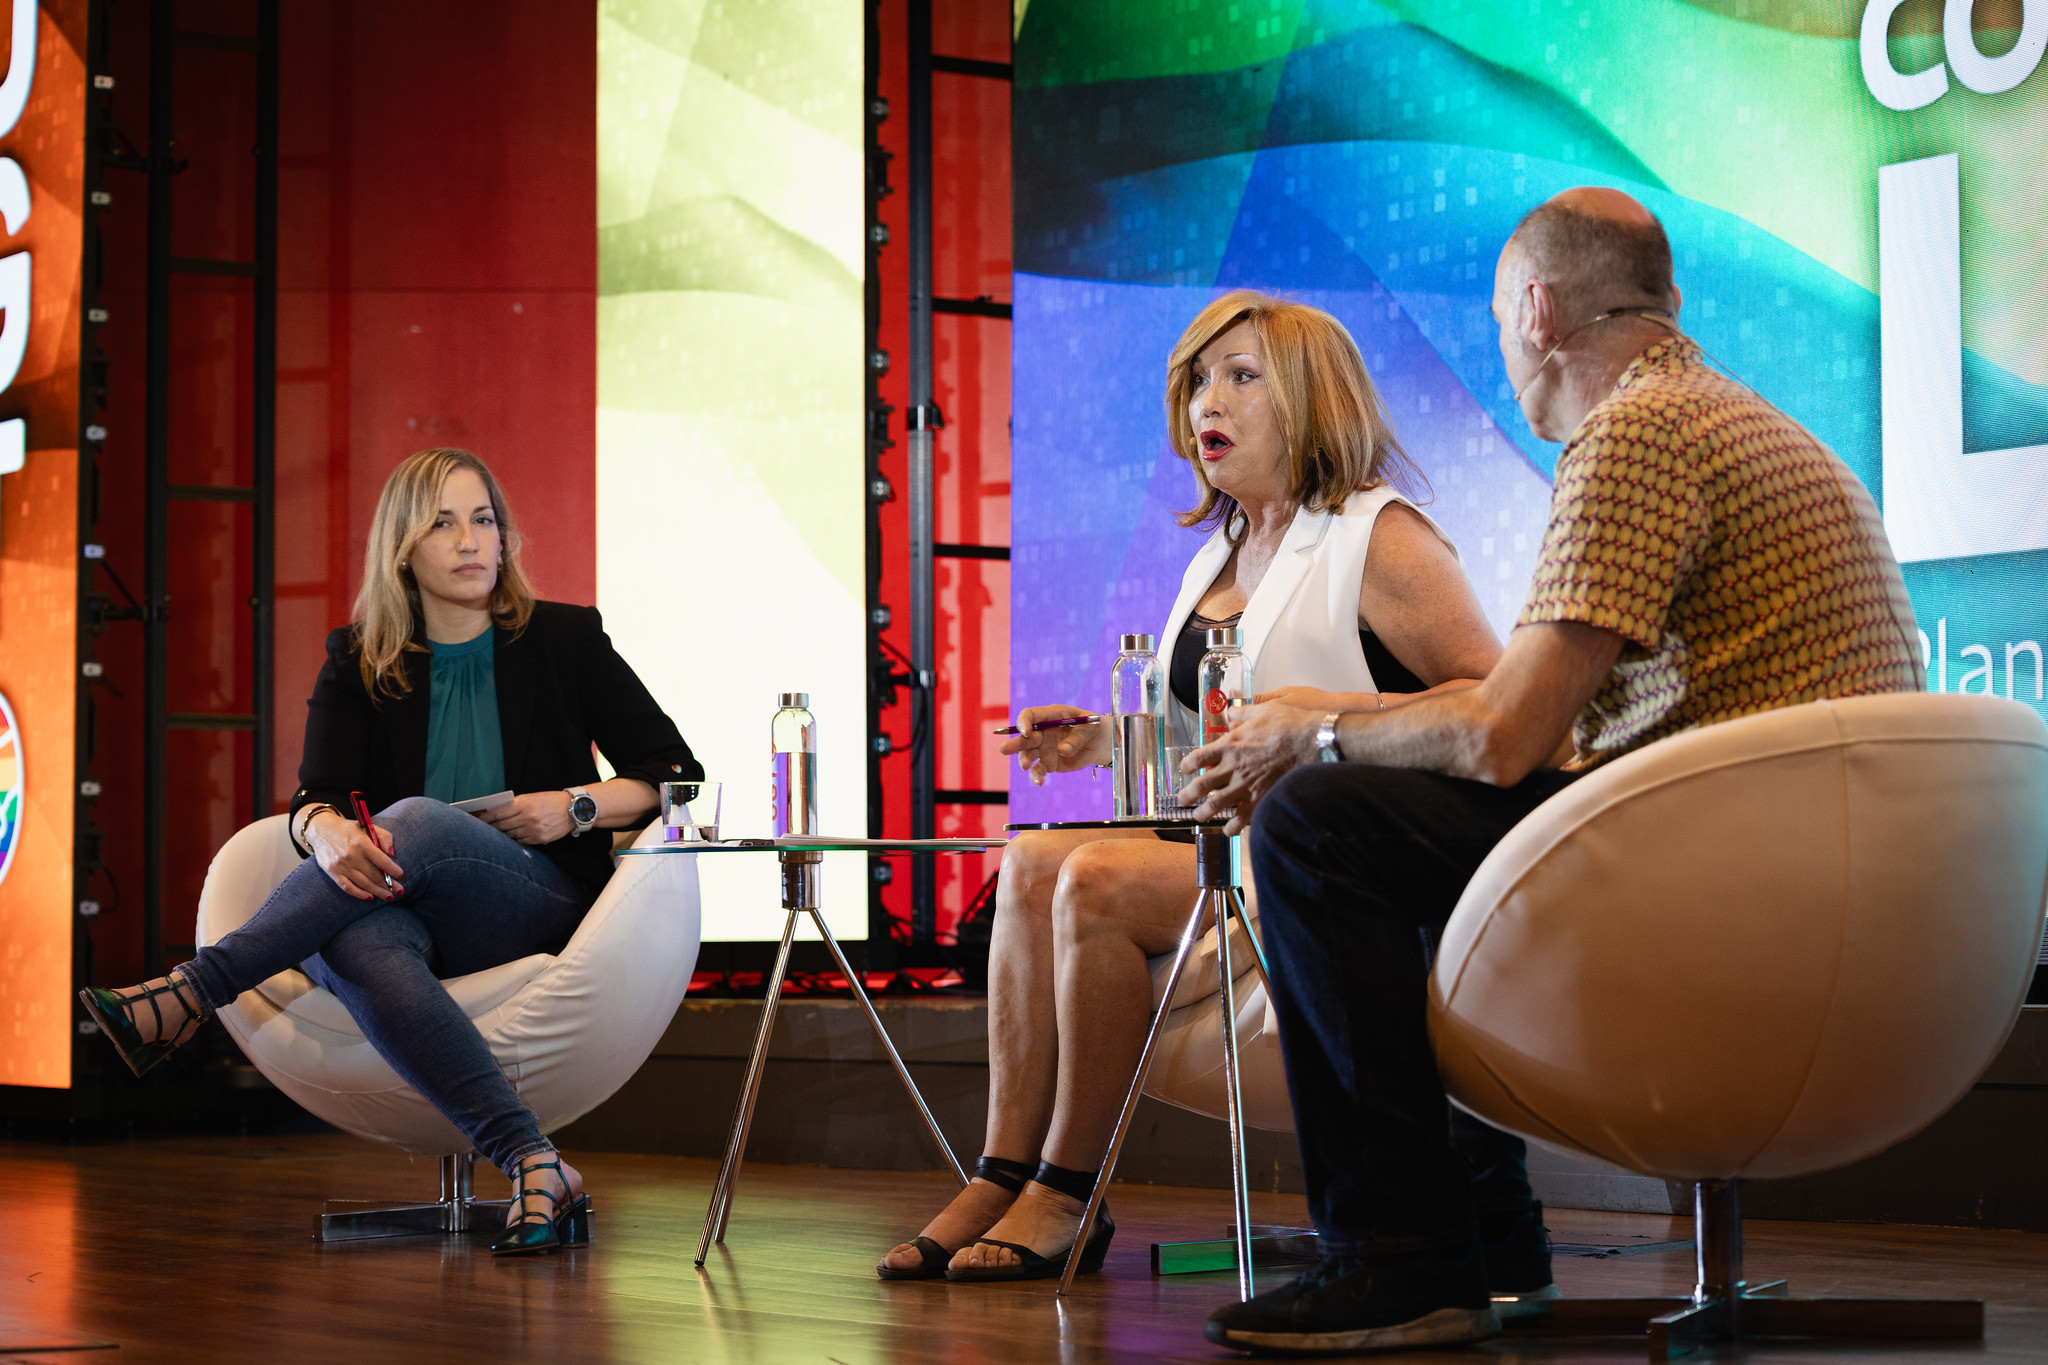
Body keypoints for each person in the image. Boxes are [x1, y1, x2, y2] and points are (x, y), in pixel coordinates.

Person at [1183, 189, 1924, 1354]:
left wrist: (1304, 734)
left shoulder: (1634, 435)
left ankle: (1403, 1259)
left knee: (1320, 825)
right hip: (1829, 880)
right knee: (1405, 826)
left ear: (1533, 310)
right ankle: (1479, 1233)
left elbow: (1499, 734)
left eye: (1490, 318)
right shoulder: (1733, 417)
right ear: (1664, 298)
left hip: (1734, 886)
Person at [877, 291, 1504, 1283]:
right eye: (1198, 382)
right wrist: (1099, 741)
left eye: (1241, 377)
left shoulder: (1378, 537)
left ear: (1310, 399)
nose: (1207, 401)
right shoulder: (1217, 553)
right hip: (1221, 845)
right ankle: (1001, 1172)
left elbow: (1487, 707)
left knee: (1089, 876)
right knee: (1031, 857)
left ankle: (1069, 1192)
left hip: (1321, 865)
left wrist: (1323, 731)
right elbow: (1209, 737)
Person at [79, 447, 700, 1258]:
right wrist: (326, 832)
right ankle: (533, 1160)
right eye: (443, 522)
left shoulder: (563, 637)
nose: (471, 540)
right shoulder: (360, 655)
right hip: (400, 909)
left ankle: (194, 989)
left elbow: (677, 774)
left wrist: (574, 806)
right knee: (356, 933)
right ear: (403, 545)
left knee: (416, 822)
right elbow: (314, 797)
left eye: (484, 520)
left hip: (531, 899)